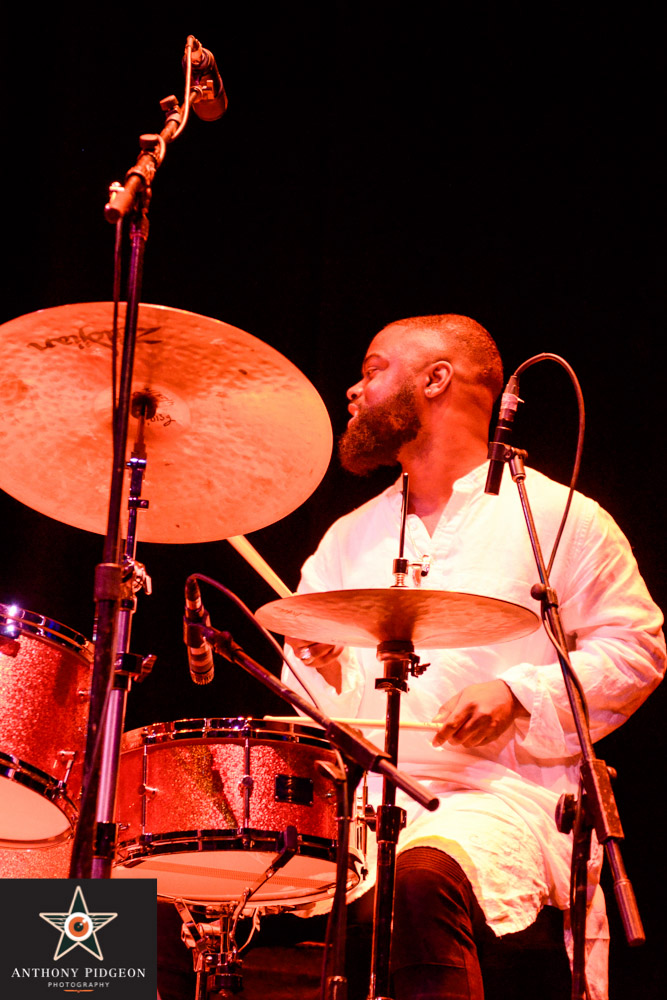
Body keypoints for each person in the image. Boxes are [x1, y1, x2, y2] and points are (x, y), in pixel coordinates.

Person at [282, 314, 665, 1000]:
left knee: (418, 878)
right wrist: (328, 670)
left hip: (500, 799)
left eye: (373, 369)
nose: (352, 388)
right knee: (179, 878)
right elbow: (304, 703)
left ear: (436, 379)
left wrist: (518, 694)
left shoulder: (561, 518)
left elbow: (633, 649)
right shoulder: (349, 537)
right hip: (359, 806)